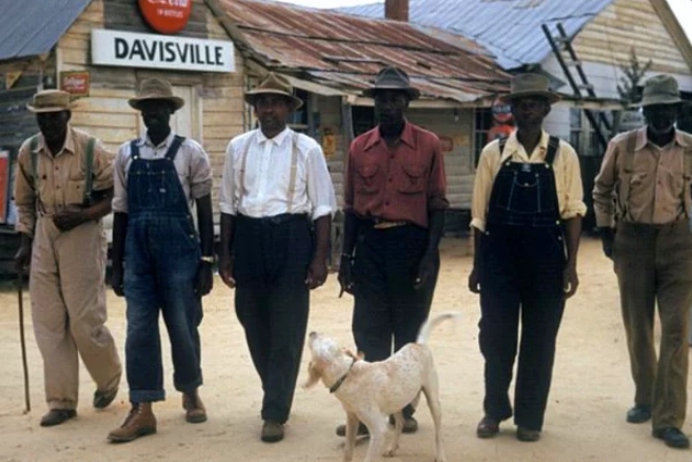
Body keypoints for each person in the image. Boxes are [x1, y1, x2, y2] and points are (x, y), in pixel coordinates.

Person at [218, 73, 336, 443]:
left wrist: (319, 258)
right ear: (255, 108)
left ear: (288, 108)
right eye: (262, 102)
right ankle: (276, 386)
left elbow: (323, 206)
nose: (268, 109)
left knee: (287, 327)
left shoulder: (307, 149)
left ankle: (274, 412)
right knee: (251, 319)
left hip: (291, 237)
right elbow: (228, 204)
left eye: (275, 102)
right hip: (249, 238)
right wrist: (225, 254)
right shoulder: (238, 147)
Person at [469, 73, 585, 442]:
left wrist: (571, 265)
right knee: (496, 338)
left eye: (535, 102)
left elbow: (573, 212)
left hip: (546, 258)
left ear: (546, 109)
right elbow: (479, 216)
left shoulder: (564, 154)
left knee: (540, 339)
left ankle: (530, 418)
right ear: (513, 109)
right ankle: (494, 411)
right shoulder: (494, 153)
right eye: (521, 103)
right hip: (499, 257)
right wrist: (477, 265)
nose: (527, 109)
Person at [336, 66, 448, 436]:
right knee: (369, 330)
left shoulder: (428, 144)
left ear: (406, 103)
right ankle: (373, 412)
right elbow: (351, 208)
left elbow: (437, 204)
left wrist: (429, 255)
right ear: (374, 102)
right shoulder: (359, 147)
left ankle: (404, 411)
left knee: (409, 332)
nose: (388, 105)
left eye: (395, 98)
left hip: (412, 246)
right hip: (370, 246)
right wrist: (346, 259)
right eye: (381, 98)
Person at [107, 78, 214, 443]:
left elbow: (204, 209)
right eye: (146, 107)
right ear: (140, 113)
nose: (152, 113)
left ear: (170, 111)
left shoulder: (191, 152)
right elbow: (121, 211)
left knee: (183, 324)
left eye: (159, 107)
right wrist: (116, 264)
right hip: (137, 254)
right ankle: (143, 407)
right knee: (139, 328)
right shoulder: (126, 154)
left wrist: (206, 261)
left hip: (179, 253)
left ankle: (190, 390)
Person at [593, 74, 692, 449]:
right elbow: (601, 189)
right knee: (638, 326)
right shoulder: (623, 146)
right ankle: (645, 398)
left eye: (668, 108)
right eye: (655, 109)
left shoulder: (689, 148)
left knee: (676, 329)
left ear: (677, 110)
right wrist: (607, 233)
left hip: (679, 243)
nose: (662, 115)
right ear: (645, 111)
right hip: (632, 240)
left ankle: (669, 419)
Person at [13, 89, 122, 427]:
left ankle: (108, 378)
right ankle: (61, 402)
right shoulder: (28, 152)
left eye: (55, 116)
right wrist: (25, 243)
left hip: (82, 232)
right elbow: (24, 203)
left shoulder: (91, 149)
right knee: (49, 322)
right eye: (42, 117)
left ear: (68, 116)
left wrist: (83, 215)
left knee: (84, 320)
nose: (48, 123)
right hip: (45, 233)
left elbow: (115, 195)